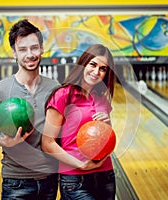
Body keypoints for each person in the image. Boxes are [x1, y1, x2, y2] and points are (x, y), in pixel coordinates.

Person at [0, 19, 59, 200]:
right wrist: (2, 141)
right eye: (23, 49)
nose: (30, 54)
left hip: (50, 179)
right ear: (14, 53)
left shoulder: (55, 88)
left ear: (41, 48)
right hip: (15, 181)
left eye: (34, 48)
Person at [41, 44, 117, 200]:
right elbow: (47, 144)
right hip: (75, 179)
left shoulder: (102, 98)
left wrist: (108, 126)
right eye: (93, 65)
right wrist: (81, 164)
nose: (96, 72)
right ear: (84, 63)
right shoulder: (62, 95)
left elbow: (106, 141)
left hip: (105, 174)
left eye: (103, 69)